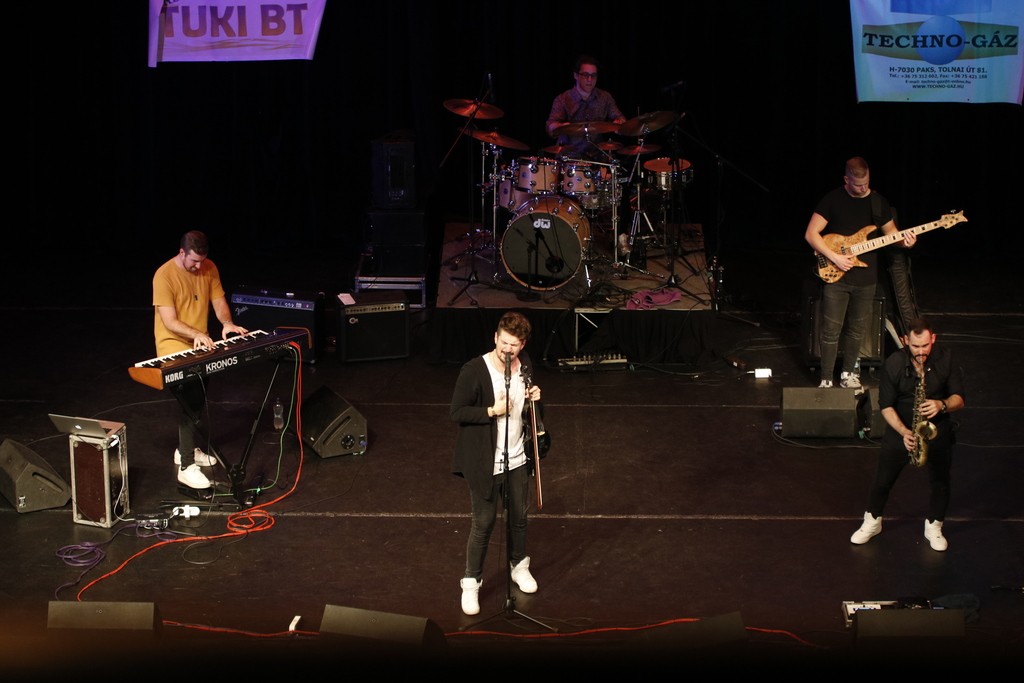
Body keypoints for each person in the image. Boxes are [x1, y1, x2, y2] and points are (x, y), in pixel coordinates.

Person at [450, 312, 542, 616]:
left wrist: (535, 399)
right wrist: (491, 410)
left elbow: (529, 413)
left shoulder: (525, 364)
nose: (508, 349)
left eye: (514, 344)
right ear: (495, 337)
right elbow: (457, 412)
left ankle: (519, 566)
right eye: (504, 342)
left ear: (522, 344)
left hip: (517, 458)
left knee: (519, 518)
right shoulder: (475, 370)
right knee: (484, 523)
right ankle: (471, 582)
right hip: (485, 462)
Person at [850, 318, 965, 551]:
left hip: (937, 429)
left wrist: (941, 404)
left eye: (925, 345)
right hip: (901, 429)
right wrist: (904, 432)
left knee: (941, 482)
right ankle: (872, 521)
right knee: (883, 480)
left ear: (933, 339)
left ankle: (934, 525)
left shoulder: (947, 358)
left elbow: (959, 399)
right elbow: (885, 405)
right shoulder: (894, 363)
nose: (921, 352)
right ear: (905, 341)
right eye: (915, 346)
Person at [805, 157, 916, 390]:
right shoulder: (832, 199)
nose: (863, 188)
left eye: (866, 183)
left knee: (857, 331)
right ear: (846, 179)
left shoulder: (878, 202)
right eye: (858, 184)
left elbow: (892, 235)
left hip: (866, 279)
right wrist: (835, 257)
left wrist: (905, 242)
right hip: (837, 277)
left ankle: (848, 374)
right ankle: (826, 378)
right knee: (831, 331)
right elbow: (811, 234)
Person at [152, 231, 248, 489]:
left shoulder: (209, 267)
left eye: (202, 260)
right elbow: (169, 321)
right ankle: (186, 466)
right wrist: (196, 333)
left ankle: (185, 449)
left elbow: (218, 301)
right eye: (194, 261)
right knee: (191, 400)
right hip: (173, 346)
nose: (198, 266)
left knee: (198, 398)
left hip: (201, 343)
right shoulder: (164, 276)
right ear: (182, 252)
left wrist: (227, 323)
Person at [545, 54, 626, 160]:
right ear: (576, 75)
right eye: (586, 75)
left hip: (597, 157)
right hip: (570, 158)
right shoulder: (563, 99)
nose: (590, 79)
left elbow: (620, 118)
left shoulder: (605, 97)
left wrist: (619, 123)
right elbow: (550, 125)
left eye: (593, 75)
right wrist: (558, 126)